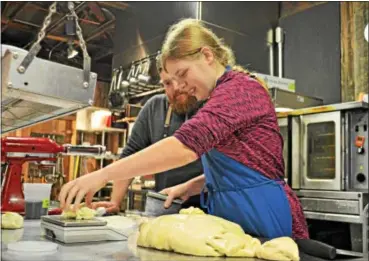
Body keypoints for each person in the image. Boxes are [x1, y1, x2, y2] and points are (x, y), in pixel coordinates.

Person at [59, 18, 309, 240]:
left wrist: (100, 176)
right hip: (239, 217)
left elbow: (185, 147)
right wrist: (194, 184)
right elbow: (248, 165)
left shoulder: (239, 90)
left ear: (207, 56)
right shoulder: (217, 97)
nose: (179, 86)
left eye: (183, 73)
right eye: (171, 80)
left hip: (266, 216)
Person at [91, 67, 205, 213]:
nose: (176, 88)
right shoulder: (154, 107)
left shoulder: (212, 109)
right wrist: (115, 201)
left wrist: (189, 187)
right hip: (165, 206)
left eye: (180, 79)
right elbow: (130, 156)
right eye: (167, 83)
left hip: (209, 208)